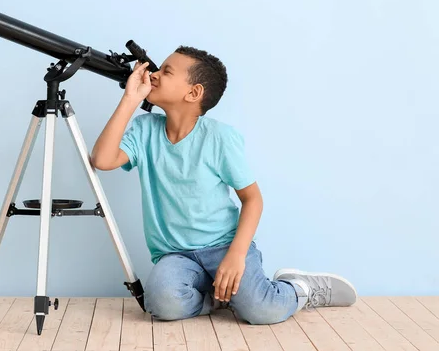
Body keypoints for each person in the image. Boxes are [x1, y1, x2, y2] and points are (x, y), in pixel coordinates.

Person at [90, 46, 357, 324]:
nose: (154, 75)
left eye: (166, 71)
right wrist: (130, 100)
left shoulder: (220, 138)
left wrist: (237, 255)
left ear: (193, 93)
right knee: (160, 303)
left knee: (263, 311)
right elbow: (102, 159)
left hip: (224, 247)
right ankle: (221, 298)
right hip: (175, 255)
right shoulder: (145, 130)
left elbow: (252, 199)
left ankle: (298, 289)